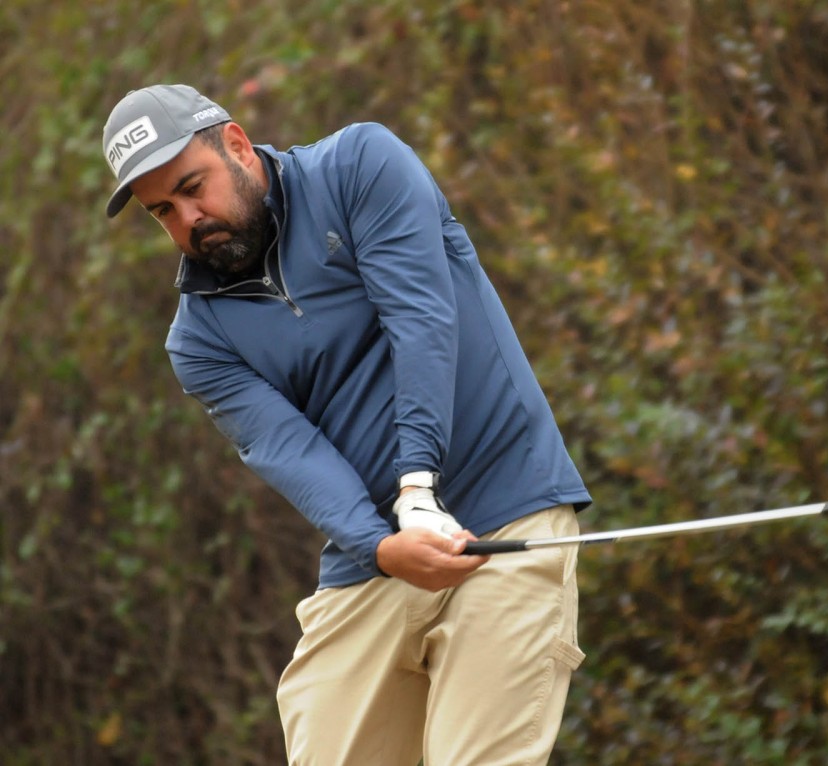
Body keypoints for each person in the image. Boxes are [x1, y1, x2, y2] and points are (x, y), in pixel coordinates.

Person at [102, 84, 592, 765]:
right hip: (375, 559)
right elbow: (288, 450)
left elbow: (420, 320)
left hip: (506, 512)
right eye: (163, 210)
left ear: (237, 145)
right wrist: (378, 543)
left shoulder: (360, 167)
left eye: (193, 187)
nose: (190, 219)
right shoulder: (199, 340)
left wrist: (417, 487)